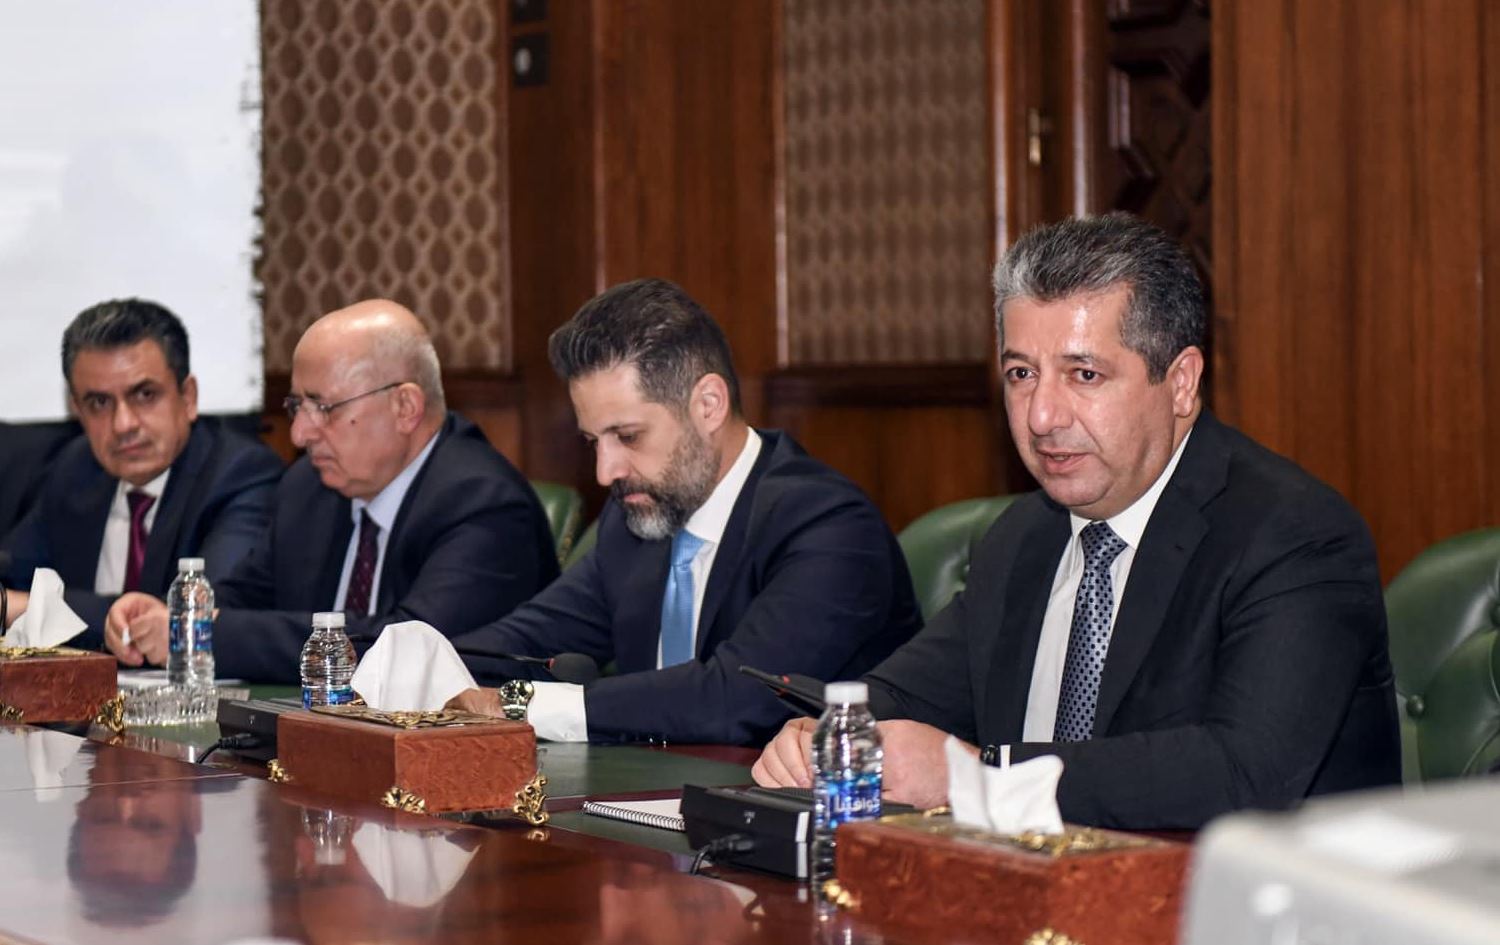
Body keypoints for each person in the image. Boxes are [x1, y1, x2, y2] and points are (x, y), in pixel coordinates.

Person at [752, 213, 1401, 829]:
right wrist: (829, 732)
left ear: (1180, 383)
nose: (1041, 416)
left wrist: (980, 778)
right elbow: (903, 697)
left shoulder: (1292, 534)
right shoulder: (1024, 536)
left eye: (1084, 374)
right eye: (1021, 374)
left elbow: (1244, 772)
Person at [448, 278, 921, 745]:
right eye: (593, 441)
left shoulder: (831, 525)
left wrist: (521, 707)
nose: (606, 472)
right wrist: (422, 664)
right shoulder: (637, 517)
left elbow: (737, 699)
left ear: (708, 405)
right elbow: (524, 641)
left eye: (628, 436)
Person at [103, 299, 558, 681]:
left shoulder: (484, 504)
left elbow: (403, 651)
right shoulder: (310, 486)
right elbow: (246, 597)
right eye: (297, 406)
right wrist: (171, 616)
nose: (299, 434)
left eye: (324, 407)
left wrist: (204, 635)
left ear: (405, 407)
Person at [1, 299, 282, 645]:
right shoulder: (77, 468)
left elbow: (189, 616)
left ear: (188, 397)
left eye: (145, 395)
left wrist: (26, 607)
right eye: (99, 403)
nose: (123, 424)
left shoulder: (240, 475)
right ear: (77, 411)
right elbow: (12, 570)